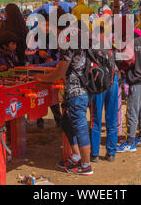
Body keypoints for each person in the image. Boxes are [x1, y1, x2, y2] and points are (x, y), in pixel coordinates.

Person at [35, 21, 93, 176]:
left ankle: (86, 165)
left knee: (79, 127)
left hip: (77, 92)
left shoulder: (69, 40)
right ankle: (76, 156)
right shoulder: (80, 36)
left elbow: (60, 72)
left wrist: (42, 78)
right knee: (67, 123)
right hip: (79, 90)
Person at [116, 16, 141, 152]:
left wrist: (117, 60)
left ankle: (130, 142)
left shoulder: (130, 39)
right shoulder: (139, 38)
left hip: (136, 80)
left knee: (132, 111)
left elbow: (129, 59)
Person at [90, 26, 119, 162]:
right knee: (111, 118)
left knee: (96, 119)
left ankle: (95, 154)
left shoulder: (91, 48)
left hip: (98, 85)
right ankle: (111, 153)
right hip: (113, 82)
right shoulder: (111, 47)